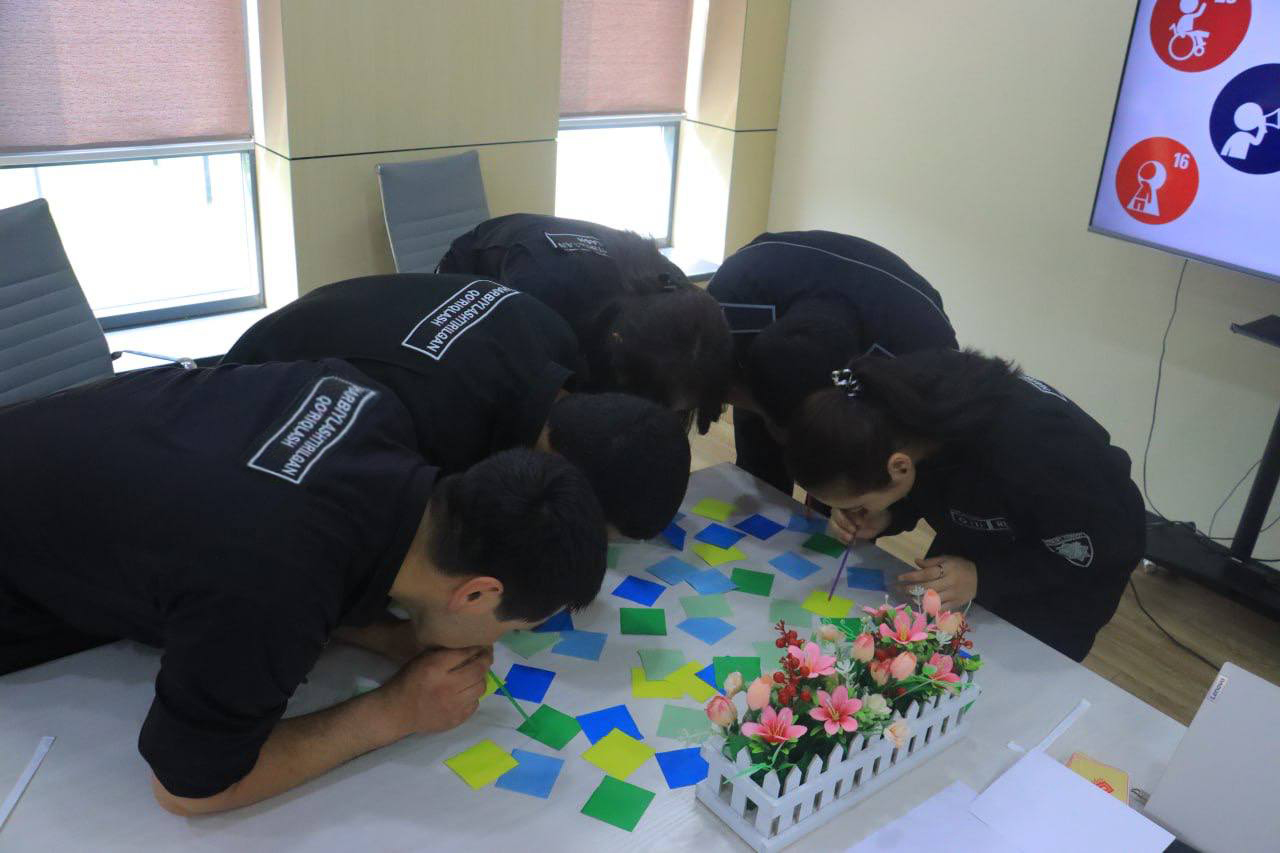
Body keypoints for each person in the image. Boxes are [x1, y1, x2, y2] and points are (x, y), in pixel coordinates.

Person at [0, 359, 608, 813]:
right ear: (477, 594)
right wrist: (394, 712)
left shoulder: (367, 402)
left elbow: (295, 519)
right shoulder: (271, 585)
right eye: (515, 626)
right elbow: (188, 788)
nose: (502, 641)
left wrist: (384, 636)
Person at [223, 273, 690, 540]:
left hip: (335, 312)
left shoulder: (555, 335)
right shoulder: (438, 434)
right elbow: (346, 537)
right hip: (248, 393)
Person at [784, 348, 1144, 662]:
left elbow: (1109, 546)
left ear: (898, 467)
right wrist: (889, 514)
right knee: (930, 656)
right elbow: (930, 482)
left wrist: (984, 578)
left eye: (858, 504)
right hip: (981, 529)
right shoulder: (894, 413)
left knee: (1007, 681)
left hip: (1072, 567)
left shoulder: (1038, 451)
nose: (853, 513)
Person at [707, 230, 958, 497]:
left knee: (843, 483)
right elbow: (712, 378)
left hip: (885, 334)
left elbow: (912, 461)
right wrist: (760, 410)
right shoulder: (730, 298)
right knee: (759, 478)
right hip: (766, 326)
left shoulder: (924, 357)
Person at [438, 213, 732, 433]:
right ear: (618, 343)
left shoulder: (680, 294)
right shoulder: (544, 289)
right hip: (475, 270)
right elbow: (528, 389)